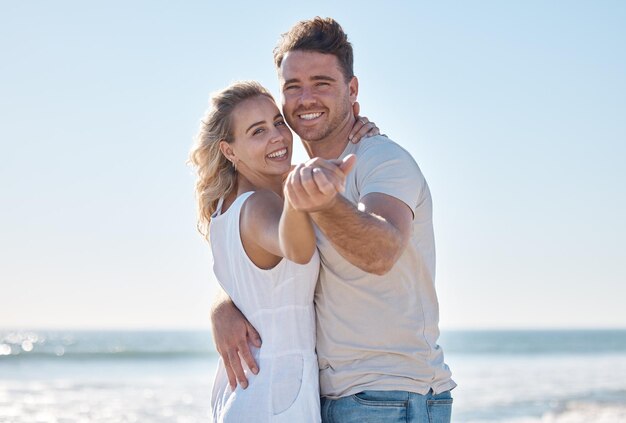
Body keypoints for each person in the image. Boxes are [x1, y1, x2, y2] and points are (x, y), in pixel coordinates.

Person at [211, 17, 457, 423]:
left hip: (391, 395)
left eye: (322, 83)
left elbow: (382, 251)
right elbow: (268, 264)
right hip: (328, 398)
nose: (306, 98)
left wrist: (322, 201)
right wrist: (223, 306)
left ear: (352, 90)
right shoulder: (303, 179)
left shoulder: (382, 160)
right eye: (293, 87)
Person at [189, 81, 377, 422]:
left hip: (244, 394)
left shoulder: (223, 208)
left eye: (278, 122)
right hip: (277, 398)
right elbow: (296, 248)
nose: (278, 136)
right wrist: (296, 197)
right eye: (257, 131)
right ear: (229, 151)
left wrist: (355, 137)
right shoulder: (261, 205)